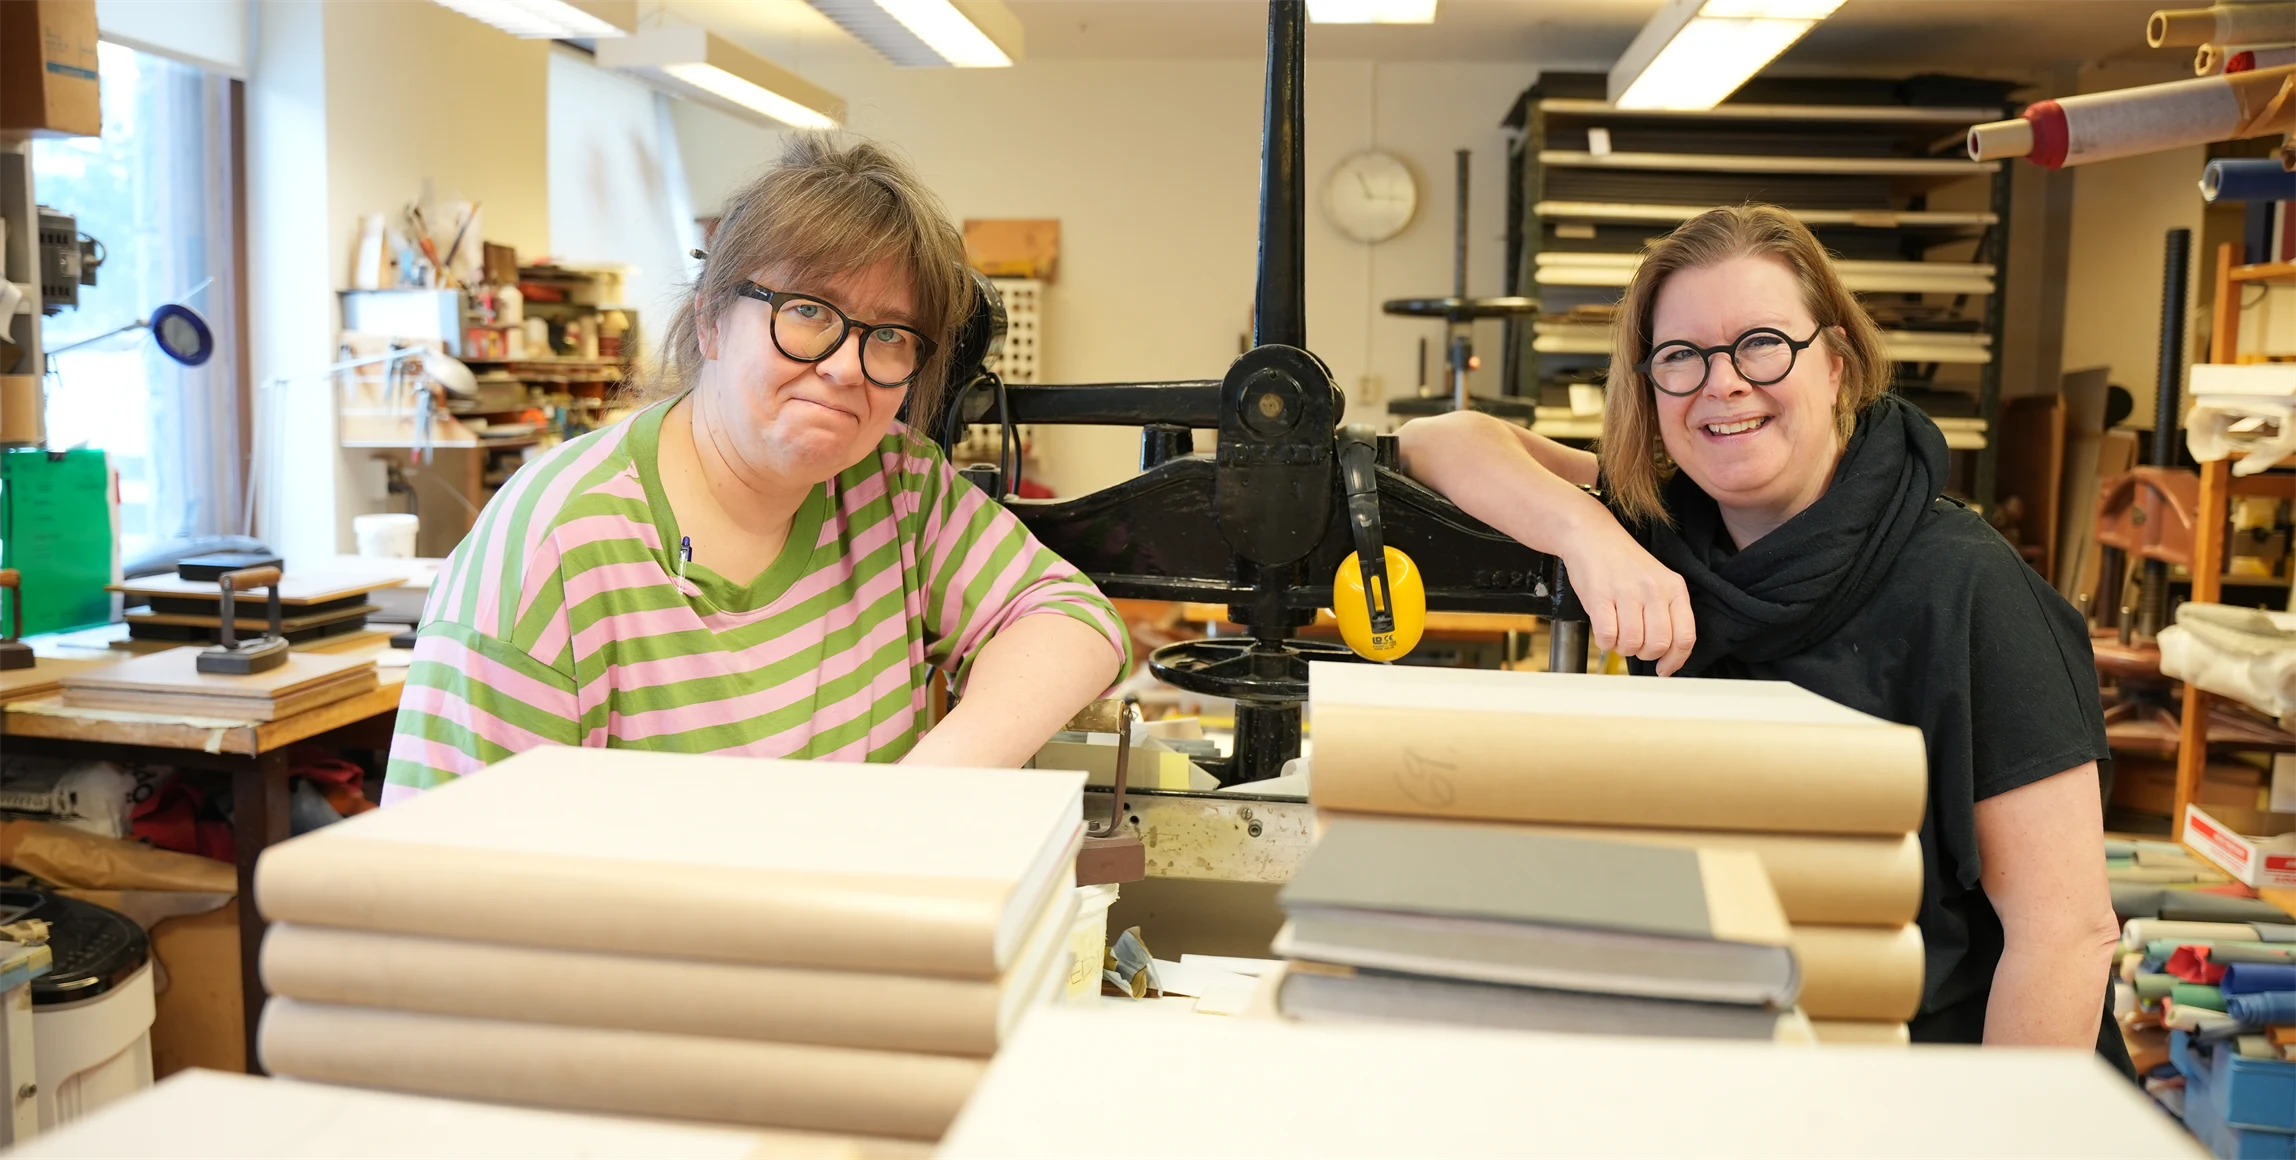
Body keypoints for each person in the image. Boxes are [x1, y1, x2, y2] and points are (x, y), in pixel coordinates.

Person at [1398, 205, 2126, 1065]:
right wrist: (1586, 535)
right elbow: (1437, 439)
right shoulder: (1673, 539)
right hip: (1755, 1059)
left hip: (1933, 1086)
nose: (1724, 382)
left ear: (1837, 368)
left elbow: (2067, 935)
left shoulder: (1968, 587)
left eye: (1763, 343)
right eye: (1682, 357)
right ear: (1651, 388)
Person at [387, 136, 1127, 797]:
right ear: (710, 317)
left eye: (891, 334)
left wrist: (918, 801)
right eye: (807, 310)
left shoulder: (893, 488)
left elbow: (1075, 619)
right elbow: (440, 895)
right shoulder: (553, 550)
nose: (845, 367)